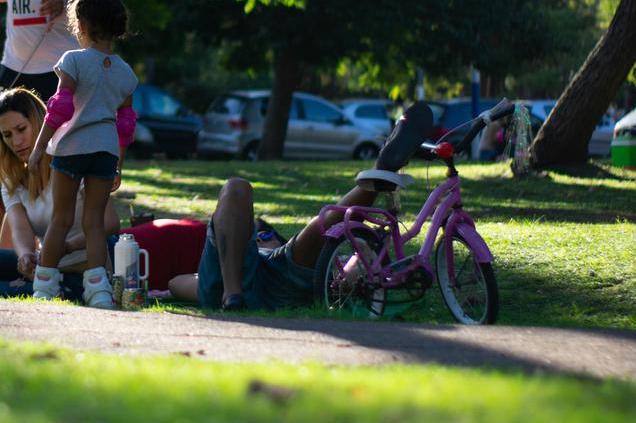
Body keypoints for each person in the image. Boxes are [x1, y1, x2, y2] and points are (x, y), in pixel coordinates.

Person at [0, 86, 205, 298]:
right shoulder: (10, 175)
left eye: (21, 129)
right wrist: (27, 256)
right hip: (47, 267)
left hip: (89, 269)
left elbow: (109, 223)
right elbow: (21, 229)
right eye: (7, 135)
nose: (17, 142)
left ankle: (35, 287)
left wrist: (59, 248)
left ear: (40, 122)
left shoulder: (74, 156)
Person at [168, 102, 436, 311]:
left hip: (277, 274)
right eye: (258, 231)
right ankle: (233, 293)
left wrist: (354, 267)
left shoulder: (271, 252)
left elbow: (176, 284)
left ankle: (381, 174)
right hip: (246, 279)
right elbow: (175, 283)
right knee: (236, 186)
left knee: (321, 224)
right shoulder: (237, 250)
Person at [27, 0, 137, 308]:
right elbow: (126, 125)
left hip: (71, 148)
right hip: (105, 152)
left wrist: (38, 148)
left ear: (82, 25)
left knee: (61, 219)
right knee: (93, 222)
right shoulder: (126, 73)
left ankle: (45, 288)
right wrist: (119, 165)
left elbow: (59, 108)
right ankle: (99, 291)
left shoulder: (72, 61)